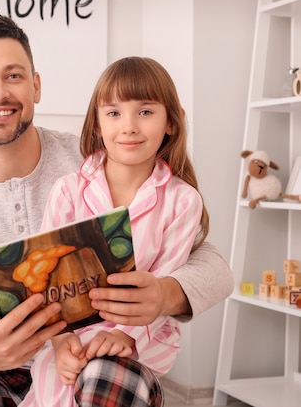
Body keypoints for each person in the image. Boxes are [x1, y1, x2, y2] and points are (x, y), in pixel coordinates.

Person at [0, 12, 233, 406]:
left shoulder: (99, 159)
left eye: (13, 76)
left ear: (36, 86)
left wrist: (166, 294)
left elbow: (213, 262)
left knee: (111, 377)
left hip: (85, 366)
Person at [19, 56, 207, 406]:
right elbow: (48, 282)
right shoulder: (68, 190)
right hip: (70, 331)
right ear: (97, 124)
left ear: (171, 122)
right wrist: (61, 342)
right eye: (114, 113)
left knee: (103, 377)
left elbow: (165, 283)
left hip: (144, 334)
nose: (129, 126)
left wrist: (126, 334)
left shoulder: (183, 201)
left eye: (146, 112)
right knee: (54, 382)